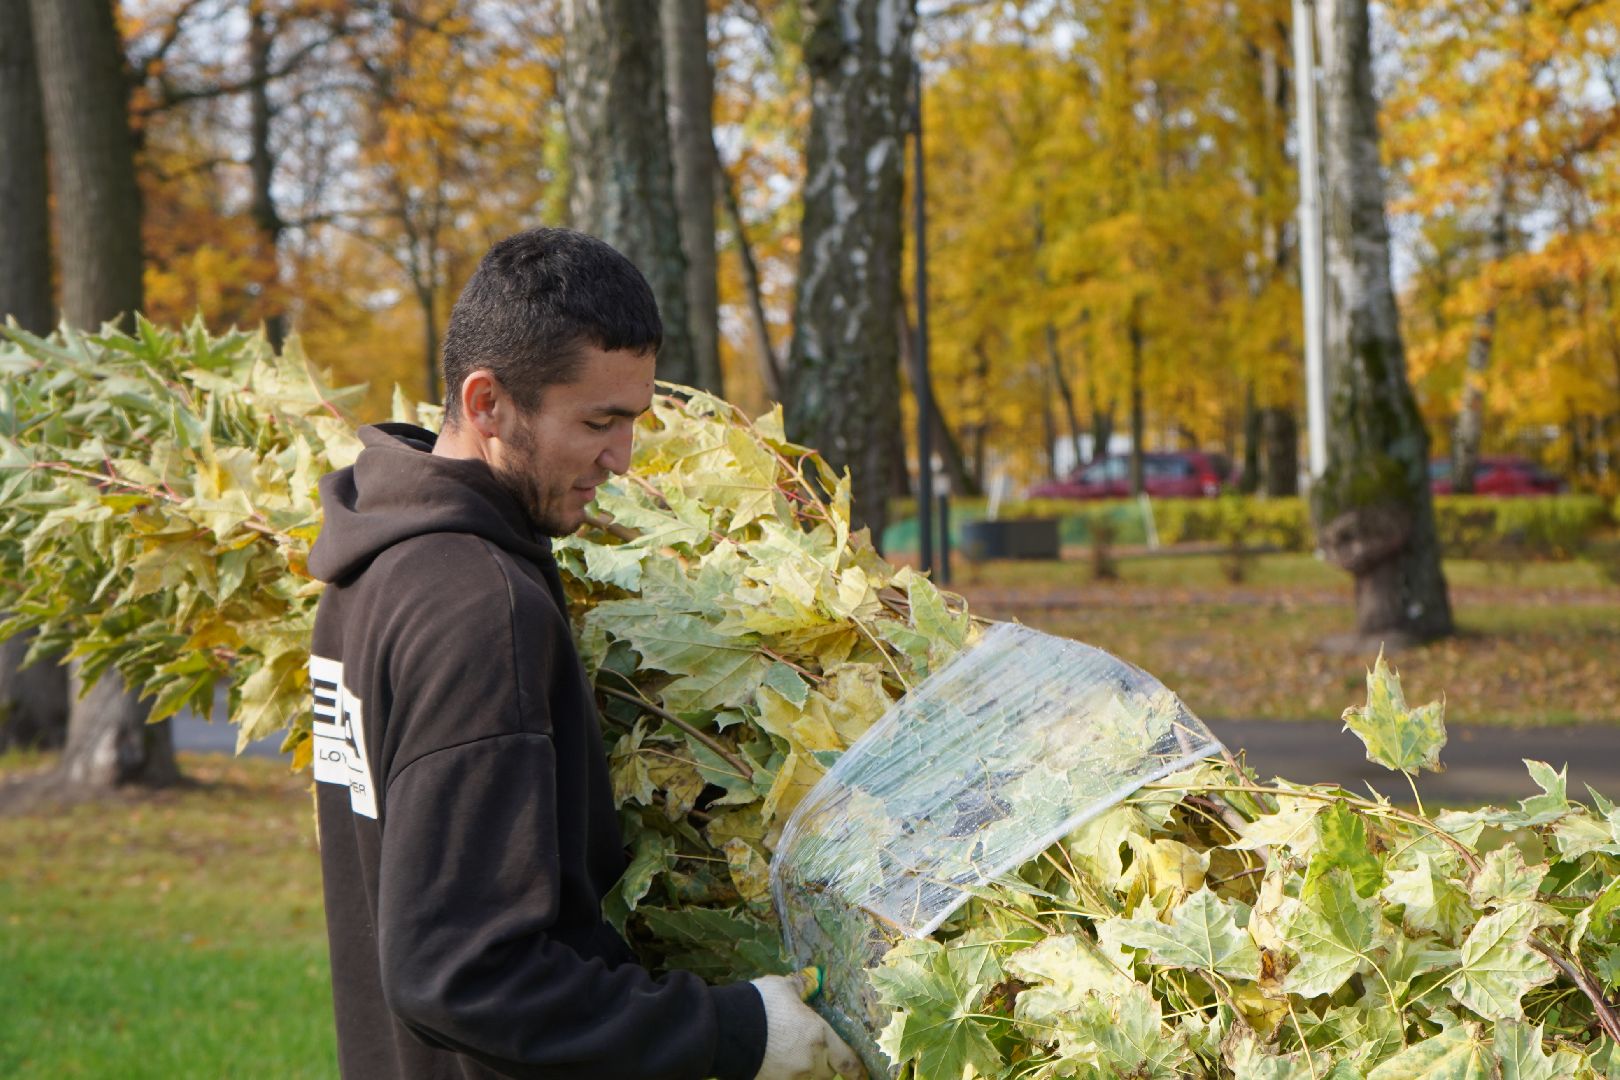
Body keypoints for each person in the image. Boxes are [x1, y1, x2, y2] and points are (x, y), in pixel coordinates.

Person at [306, 227, 865, 1080]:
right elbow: (457, 974)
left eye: (631, 421)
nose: (622, 458)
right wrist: (735, 1032)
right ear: (488, 405)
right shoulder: (479, 609)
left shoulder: (368, 569)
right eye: (598, 422)